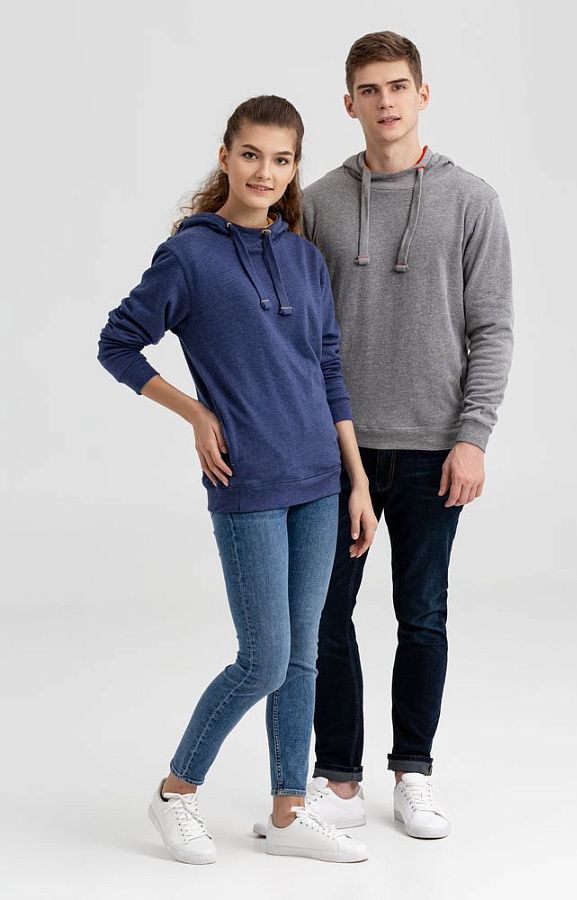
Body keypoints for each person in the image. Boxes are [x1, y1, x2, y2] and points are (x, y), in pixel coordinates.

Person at [96, 95, 377, 865]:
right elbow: (118, 342)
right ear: (226, 156)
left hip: (320, 480)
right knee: (263, 658)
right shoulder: (190, 256)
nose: (265, 171)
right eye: (251, 154)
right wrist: (195, 413)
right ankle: (175, 792)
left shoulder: (303, 257)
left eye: (281, 159)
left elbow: (328, 370)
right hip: (248, 481)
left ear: (294, 168)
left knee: (303, 656)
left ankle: (288, 812)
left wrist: (356, 479)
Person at [300, 31, 514, 839]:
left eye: (398, 86)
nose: (385, 102)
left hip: (433, 445)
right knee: (325, 615)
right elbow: (296, 332)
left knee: (421, 614)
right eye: (369, 89)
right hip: (337, 449)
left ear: (423, 95)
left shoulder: (472, 200)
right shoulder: (317, 204)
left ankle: (412, 773)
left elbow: (492, 328)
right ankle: (339, 778)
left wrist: (474, 436)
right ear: (348, 103)